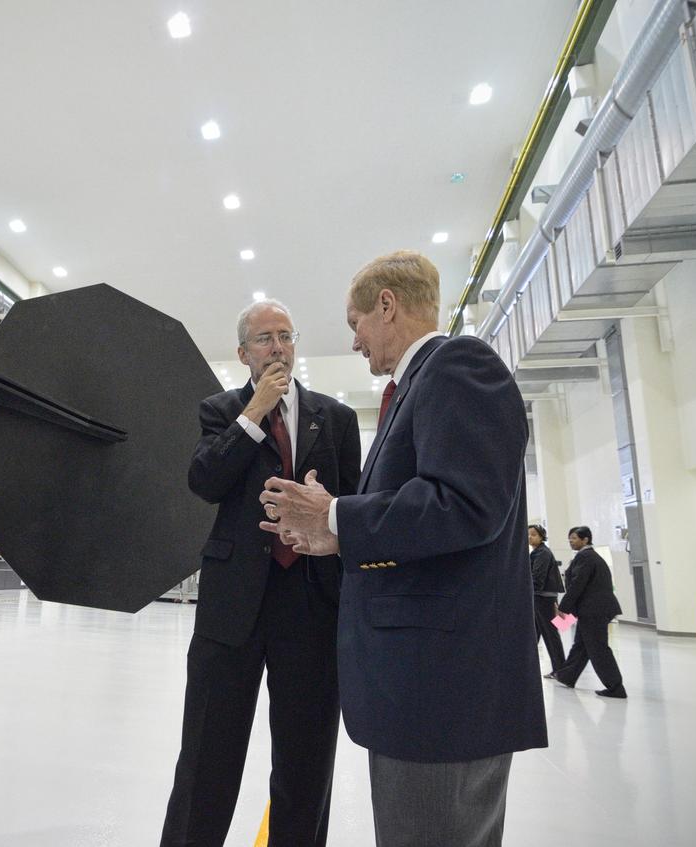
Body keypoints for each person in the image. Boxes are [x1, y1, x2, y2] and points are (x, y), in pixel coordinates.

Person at [261, 251, 546, 847]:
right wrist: (335, 536)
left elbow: (464, 505)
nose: (355, 341)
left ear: (386, 305)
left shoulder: (458, 366)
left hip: (441, 692)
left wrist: (336, 513)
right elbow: (431, 520)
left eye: (355, 323)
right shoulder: (418, 386)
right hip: (425, 688)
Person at [160, 299, 361, 847]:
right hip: (232, 607)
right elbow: (205, 481)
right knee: (207, 754)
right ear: (243, 352)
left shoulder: (336, 419)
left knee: (306, 761)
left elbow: (353, 507)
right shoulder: (221, 411)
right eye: (265, 338)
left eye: (286, 336)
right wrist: (255, 413)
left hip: (312, 603)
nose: (278, 348)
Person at [548, 526, 627, 699]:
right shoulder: (588, 556)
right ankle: (567, 676)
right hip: (592, 609)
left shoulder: (586, 557)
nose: (571, 541)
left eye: (574, 538)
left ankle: (615, 687)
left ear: (586, 540)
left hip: (594, 610)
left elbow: (578, 584)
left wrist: (563, 608)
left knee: (598, 648)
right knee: (581, 645)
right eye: (570, 538)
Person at [529, 524, 566, 672]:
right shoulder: (537, 552)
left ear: (541, 536)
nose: (530, 537)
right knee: (536, 633)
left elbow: (537, 578)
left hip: (544, 598)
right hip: (542, 597)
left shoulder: (542, 553)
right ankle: (528, 667)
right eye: (528, 534)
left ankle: (560, 669)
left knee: (550, 634)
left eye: (534, 534)